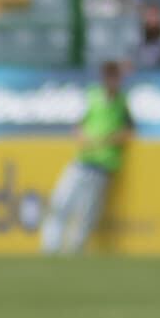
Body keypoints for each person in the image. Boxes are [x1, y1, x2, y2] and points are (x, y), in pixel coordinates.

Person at [41, 55, 130, 257]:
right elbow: (77, 126)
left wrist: (109, 140)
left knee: (87, 213)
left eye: (115, 77)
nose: (112, 81)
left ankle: (75, 250)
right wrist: (85, 139)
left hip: (104, 166)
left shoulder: (122, 101)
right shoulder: (92, 96)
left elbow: (129, 131)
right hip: (82, 161)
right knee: (60, 203)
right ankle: (50, 248)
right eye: (109, 77)